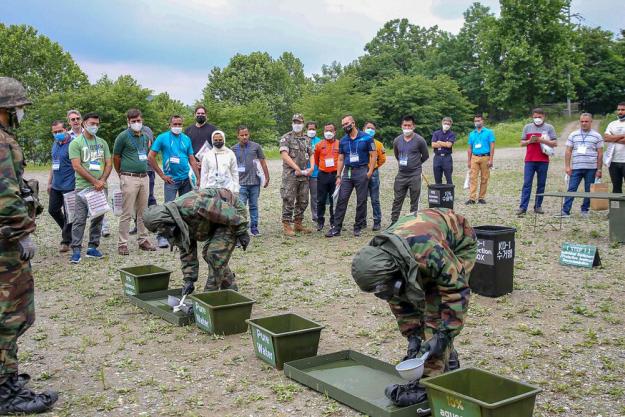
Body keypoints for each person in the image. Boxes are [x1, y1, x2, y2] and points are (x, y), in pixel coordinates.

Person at [351, 208, 476, 407]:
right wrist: (413, 336)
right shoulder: (381, 260)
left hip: (458, 242)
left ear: (394, 270)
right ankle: (449, 363)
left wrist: (444, 335)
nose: (382, 294)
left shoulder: (428, 252)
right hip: (422, 247)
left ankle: (428, 385)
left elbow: (456, 291)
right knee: (410, 302)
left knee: (435, 314)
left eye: (382, 287)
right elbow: (398, 299)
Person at [0, 76, 58, 414]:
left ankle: (6, 379)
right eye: (19, 107)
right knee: (11, 315)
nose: (22, 113)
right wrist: (23, 231)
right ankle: (6, 393)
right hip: (6, 244)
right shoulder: (2, 143)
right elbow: (5, 195)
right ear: (7, 109)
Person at [143, 188, 250, 295]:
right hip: (215, 220)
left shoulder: (193, 205)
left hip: (232, 213)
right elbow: (187, 250)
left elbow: (225, 211)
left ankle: (209, 297)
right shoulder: (176, 223)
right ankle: (231, 291)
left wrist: (241, 230)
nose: (162, 233)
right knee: (209, 255)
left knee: (215, 255)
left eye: (161, 228)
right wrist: (189, 279)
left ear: (165, 220)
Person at [149, 115, 200, 248]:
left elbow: (192, 159)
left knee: (186, 207)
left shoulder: (186, 139)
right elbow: (151, 157)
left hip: (186, 179)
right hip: (171, 180)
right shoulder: (162, 138)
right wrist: (162, 175)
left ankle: (183, 234)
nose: (177, 127)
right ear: (170, 124)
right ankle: (162, 236)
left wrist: (198, 177)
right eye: (175, 124)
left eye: (179, 124)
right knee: (168, 208)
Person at [68, 112, 112, 263]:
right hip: (83, 187)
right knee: (79, 219)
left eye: (97, 124)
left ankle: (92, 247)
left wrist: (102, 180)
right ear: (84, 124)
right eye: (92, 123)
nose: (95, 126)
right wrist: (94, 181)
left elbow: (108, 163)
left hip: (100, 186)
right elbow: (76, 166)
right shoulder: (75, 143)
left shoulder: (102, 142)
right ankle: (76, 250)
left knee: (98, 218)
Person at [112, 108, 156, 255]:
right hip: (129, 176)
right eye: (133, 121)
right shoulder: (122, 137)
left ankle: (143, 240)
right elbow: (116, 157)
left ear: (141, 120)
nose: (136, 123)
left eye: (138, 120)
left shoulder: (144, 136)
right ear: (128, 122)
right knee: (127, 212)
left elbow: (144, 153)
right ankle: (122, 243)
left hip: (144, 176)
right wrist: (121, 174)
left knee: (143, 211)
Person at [326, 115, 376, 238]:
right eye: (343, 125)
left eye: (347, 123)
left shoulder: (367, 138)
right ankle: (336, 228)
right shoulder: (343, 140)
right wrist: (338, 176)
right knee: (341, 200)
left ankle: (357, 227)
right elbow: (341, 159)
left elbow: (373, 155)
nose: (345, 126)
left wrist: (370, 171)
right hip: (347, 172)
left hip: (362, 171)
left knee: (361, 200)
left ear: (353, 123)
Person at [560, 113, 603, 217]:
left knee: (588, 190)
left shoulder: (597, 136)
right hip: (576, 168)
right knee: (571, 189)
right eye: (582, 121)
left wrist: (599, 169)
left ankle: (585, 210)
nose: (584, 123)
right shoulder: (573, 135)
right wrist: (567, 166)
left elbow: (600, 153)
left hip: (591, 168)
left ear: (591, 122)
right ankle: (565, 211)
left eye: (586, 121)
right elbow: (568, 151)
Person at [516, 108, 558, 216]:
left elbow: (555, 143)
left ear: (544, 117)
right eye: (535, 117)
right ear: (532, 117)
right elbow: (521, 143)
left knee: (541, 184)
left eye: (539, 117)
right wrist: (530, 141)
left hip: (543, 160)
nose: (537, 119)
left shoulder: (549, 128)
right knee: (527, 184)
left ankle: (538, 206)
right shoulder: (527, 127)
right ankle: (523, 207)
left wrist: (541, 140)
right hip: (529, 160)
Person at [279, 113, 314, 236]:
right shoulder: (286, 138)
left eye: (299, 122)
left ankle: (298, 223)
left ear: (303, 124)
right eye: (295, 122)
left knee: (303, 200)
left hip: (304, 174)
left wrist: (312, 167)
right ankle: (287, 224)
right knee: (288, 199)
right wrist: (296, 168)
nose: (297, 124)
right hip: (291, 175)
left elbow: (311, 154)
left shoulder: (306, 139)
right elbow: (284, 155)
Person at [231, 125, 270, 236]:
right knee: (241, 207)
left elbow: (262, 162)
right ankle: (241, 229)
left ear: (249, 134)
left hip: (254, 182)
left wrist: (267, 177)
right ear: (237, 136)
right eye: (242, 135)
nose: (244, 137)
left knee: (254, 206)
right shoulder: (233, 149)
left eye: (246, 134)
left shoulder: (256, 147)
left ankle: (254, 227)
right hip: (241, 183)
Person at [390, 115, 429, 224]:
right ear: (401, 126)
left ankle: (413, 224)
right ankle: (394, 222)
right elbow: (397, 155)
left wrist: (416, 164)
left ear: (414, 126)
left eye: (409, 125)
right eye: (405, 125)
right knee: (397, 199)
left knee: (414, 201)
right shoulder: (397, 140)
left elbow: (425, 156)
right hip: (401, 175)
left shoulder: (420, 140)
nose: (407, 127)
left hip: (415, 175)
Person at [47, 120, 74, 253]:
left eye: (60, 131)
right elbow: (54, 164)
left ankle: (66, 241)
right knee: (52, 210)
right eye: (55, 132)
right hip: (56, 186)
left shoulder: (73, 144)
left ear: (66, 130)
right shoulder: (55, 144)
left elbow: (77, 165)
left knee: (70, 214)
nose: (57, 134)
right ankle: (68, 230)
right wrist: (49, 182)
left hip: (70, 185)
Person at [314, 122, 340, 231]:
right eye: (326, 131)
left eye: (330, 130)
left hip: (334, 175)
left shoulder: (340, 144)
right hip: (322, 175)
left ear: (335, 132)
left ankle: (333, 221)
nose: (328, 133)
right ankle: (320, 221)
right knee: (320, 199)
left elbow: (342, 159)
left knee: (334, 199)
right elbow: (316, 159)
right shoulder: (319, 145)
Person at [466, 114, 495, 204]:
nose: (477, 122)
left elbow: (492, 146)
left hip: (485, 157)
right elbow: (470, 148)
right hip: (474, 157)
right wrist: (469, 160)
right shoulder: (472, 134)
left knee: (484, 178)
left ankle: (481, 197)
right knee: (473, 178)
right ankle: (472, 198)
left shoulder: (489, 132)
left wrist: (491, 159)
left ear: (483, 121)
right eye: (475, 121)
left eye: (479, 120)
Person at [363, 121, 386, 231]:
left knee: (375, 198)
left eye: (372, 128)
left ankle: (377, 221)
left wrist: (375, 166)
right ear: (363, 129)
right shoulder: (359, 141)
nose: (370, 130)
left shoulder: (378, 144)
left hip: (374, 172)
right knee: (362, 198)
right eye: (368, 127)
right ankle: (362, 221)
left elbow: (382, 159)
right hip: (361, 171)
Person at [604, 102, 625, 193]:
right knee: (616, 187)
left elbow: (610, 138)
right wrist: (622, 135)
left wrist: (613, 138)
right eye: (619, 109)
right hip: (613, 161)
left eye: (623, 110)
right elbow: (606, 138)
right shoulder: (612, 124)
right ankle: (618, 208)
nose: (620, 112)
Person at [431, 117, 456, 185]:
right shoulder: (436, 133)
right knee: (437, 178)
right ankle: (439, 193)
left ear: (450, 125)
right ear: (442, 123)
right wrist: (445, 143)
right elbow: (433, 145)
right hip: (437, 157)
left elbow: (449, 145)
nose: (446, 125)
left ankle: (449, 193)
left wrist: (439, 142)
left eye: (448, 124)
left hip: (447, 158)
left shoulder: (452, 134)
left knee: (448, 177)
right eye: (445, 123)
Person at [306, 122, 322, 224]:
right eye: (309, 129)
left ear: (316, 130)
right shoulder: (302, 140)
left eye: (313, 129)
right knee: (301, 196)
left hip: (315, 173)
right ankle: (299, 217)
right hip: (303, 172)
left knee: (315, 197)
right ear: (306, 130)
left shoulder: (320, 142)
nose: (311, 131)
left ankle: (315, 216)